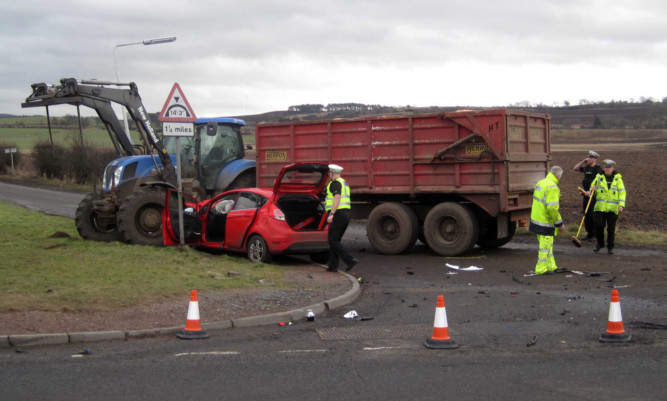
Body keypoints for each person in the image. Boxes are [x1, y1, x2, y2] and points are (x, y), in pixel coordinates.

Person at [529, 166, 566, 275]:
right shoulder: (553, 187)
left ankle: (551, 266)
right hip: (545, 222)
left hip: (536, 219)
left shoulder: (541, 182)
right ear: (558, 176)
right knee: (545, 247)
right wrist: (559, 223)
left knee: (547, 245)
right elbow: (552, 208)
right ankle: (541, 269)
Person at [324, 164, 358, 272]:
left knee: (332, 239)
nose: (329, 175)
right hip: (345, 214)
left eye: (329, 173)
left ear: (332, 173)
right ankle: (333, 266)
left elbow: (337, 197)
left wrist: (331, 214)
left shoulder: (335, 183)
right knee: (335, 240)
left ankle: (350, 260)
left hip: (338, 214)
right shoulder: (344, 182)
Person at [590, 159, 626, 255]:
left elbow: (622, 192)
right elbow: (592, 188)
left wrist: (621, 205)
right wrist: (592, 188)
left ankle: (610, 247)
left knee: (611, 228)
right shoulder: (599, 177)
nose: (607, 169)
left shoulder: (618, 179)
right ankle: (599, 244)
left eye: (609, 167)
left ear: (613, 168)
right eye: (606, 167)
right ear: (604, 168)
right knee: (599, 226)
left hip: (612, 208)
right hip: (600, 207)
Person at [572, 151, 603, 241]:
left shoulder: (597, 169)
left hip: (593, 195)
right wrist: (583, 161)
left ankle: (595, 234)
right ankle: (589, 233)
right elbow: (575, 168)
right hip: (585, 194)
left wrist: (591, 191)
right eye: (588, 157)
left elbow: (600, 182)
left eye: (590, 158)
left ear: (595, 159)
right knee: (587, 213)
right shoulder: (587, 168)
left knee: (593, 214)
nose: (588, 159)